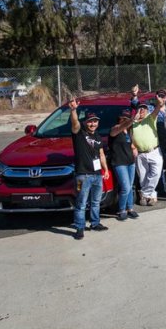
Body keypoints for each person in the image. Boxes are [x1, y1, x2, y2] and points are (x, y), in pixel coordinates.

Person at [68, 99, 109, 240]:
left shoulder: (98, 136)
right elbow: (74, 123)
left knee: (96, 202)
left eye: (95, 121)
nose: (93, 124)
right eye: (90, 121)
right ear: (85, 122)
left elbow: (101, 154)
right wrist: (73, 110)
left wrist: (106, 169)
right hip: (82, 175)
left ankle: (95, 223)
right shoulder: (79, 133)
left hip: (97, 175)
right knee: (81, 203)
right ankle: (79, 228)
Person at [131, 88, 166, 206]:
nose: (142, 110)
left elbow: (157, 109)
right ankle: (151, 196)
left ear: (147, 110)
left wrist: (159, 102)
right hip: (140, 154)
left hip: (154, 151)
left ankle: (145, 194)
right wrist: (133, 146)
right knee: (143, 177)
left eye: (144, 108)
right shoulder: (132, 123)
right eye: (140, 108)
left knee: (155, 174)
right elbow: (129, 137)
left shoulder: (150, 118)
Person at [109, 108, 140, 221]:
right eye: (122, 119)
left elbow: (129, 144)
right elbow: (119, 128)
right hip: (119, 162)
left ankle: (130, 209)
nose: (124, 121)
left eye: (126, 119)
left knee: (130, 187)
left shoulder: (129, 132)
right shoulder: (115, 130)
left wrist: (134, 148)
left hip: (130, 162)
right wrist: (131, 120)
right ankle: (121, 210)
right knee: (125, 187)